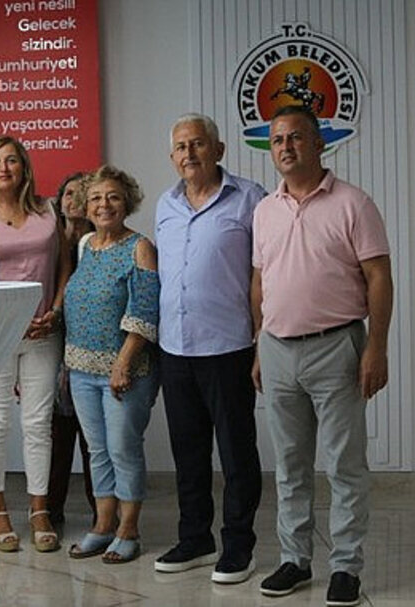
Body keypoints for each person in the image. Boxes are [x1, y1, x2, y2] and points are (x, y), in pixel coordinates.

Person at [252, 106, 392, 607]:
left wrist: (377, 347)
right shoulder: (264, 210)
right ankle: (295, 559)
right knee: (290, 466)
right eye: (277, 140)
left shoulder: (353, 203)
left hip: (338, 348)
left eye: (295, 137)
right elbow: (259, 281)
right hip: (277, 349)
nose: (285, 147)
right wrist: (258, 345)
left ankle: (346, 567)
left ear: (318, 143)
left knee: (344, 464)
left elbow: (379, 276)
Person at [152, 114, 265, 584]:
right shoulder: (165, 204)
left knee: (236, 454)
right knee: (189, 453)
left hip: (229, 346)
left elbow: (264, 275)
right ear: (172, 156)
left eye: (198, 144)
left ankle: (239, 545)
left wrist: (262, 343)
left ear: (218, 150)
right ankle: (195, 538)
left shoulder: (250, 199)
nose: (189, 154)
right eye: (181, 147)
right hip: (175, 348)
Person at [0, 135, 71, 553]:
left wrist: (55, 311)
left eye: (11, 161)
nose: (3, 168)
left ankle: (39, 510)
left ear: (24, 168)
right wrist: (4, 323)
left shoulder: (47, 211)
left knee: (38, 425)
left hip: (43, 333)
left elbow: (63, 268)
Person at [63, 165, 159, 564]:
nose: (104, 205)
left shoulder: (140, 248)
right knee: (97, 450)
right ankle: (103, 525)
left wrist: (123, 363)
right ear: (87, 206)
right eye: (97, 198)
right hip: (81, 370)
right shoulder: (85, 244)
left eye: (113, 197)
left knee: (123, 449)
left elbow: (145, 311)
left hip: (125, 371)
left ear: (127, 203)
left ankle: (128, 529)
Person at [46, 173, 96, 529]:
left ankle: (102, 514)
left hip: (91, 353)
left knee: (94, 439)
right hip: (52, 349)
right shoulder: (46, 242)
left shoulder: (101, 243)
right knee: (55, 438)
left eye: (82, 194)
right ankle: (49, 511)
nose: (73, 200)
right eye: (68, 193)